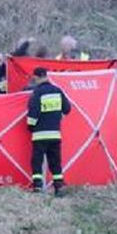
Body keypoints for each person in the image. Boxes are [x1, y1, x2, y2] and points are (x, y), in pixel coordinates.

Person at [27, 67, 71, 196]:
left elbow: (33, 114)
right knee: (55, 162)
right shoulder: (57, 91)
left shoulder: (37, 93)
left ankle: (37, 187)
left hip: (40, 135)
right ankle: (59, 187)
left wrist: (30, 127)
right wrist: (58, 117)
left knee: (37, 161)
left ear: (37, 77)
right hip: (55, 134)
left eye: (34, 77)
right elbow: (67, 108)